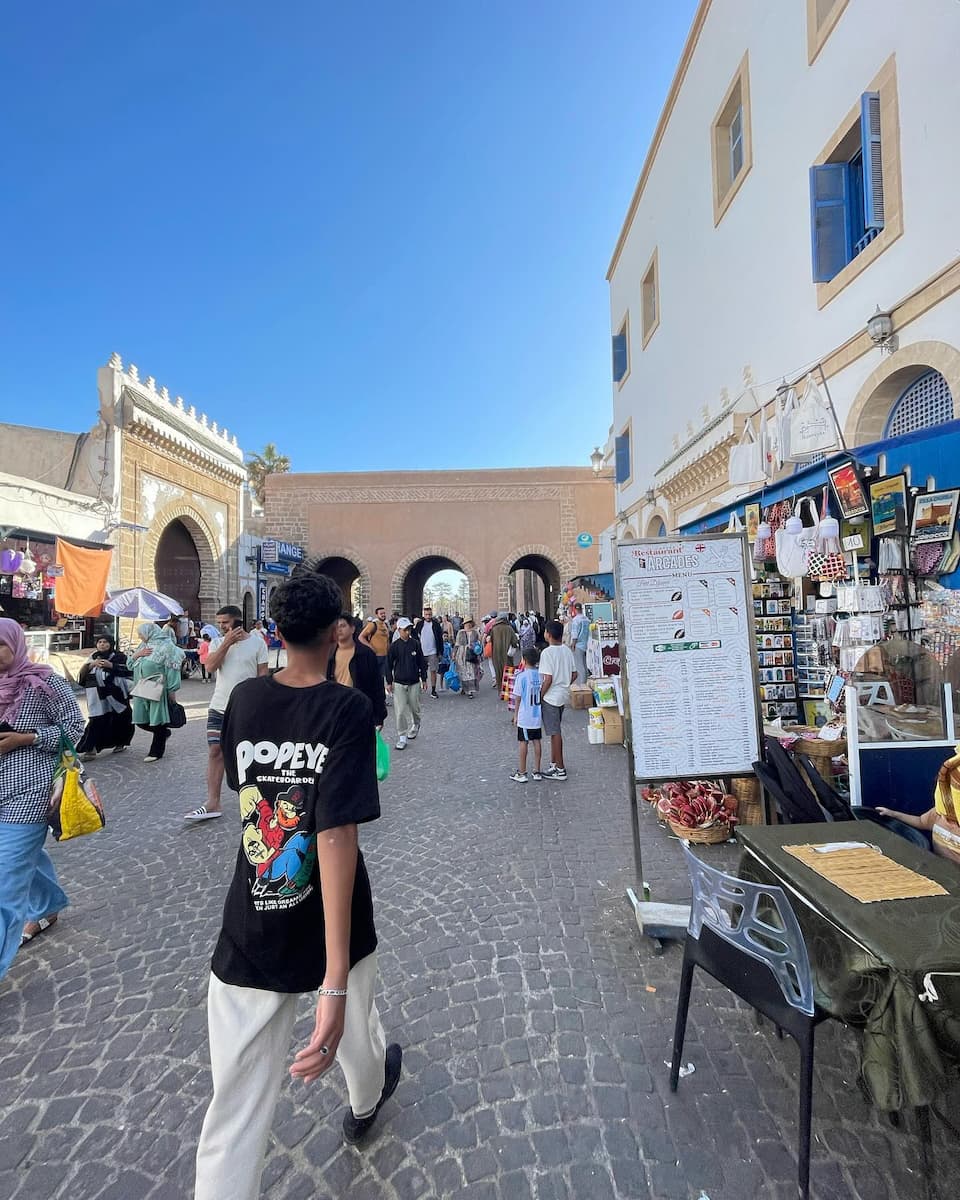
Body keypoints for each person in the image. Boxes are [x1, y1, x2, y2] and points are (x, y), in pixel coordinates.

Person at [193, 571, 400, 1200]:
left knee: (235, 1106)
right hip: (334, 911)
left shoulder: (248, 700)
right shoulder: (347, 710)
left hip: (255, 908)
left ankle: (365, 1096)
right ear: (337, 629)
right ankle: (365, 1103)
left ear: (275, 632)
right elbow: (337, 836)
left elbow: (244, 789)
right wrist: (331, 980)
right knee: (353, 1029)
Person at [0, 618, 85, 976]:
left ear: (15, 643)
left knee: (5, 878)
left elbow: (75, 728)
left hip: (31, 792)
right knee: (19, 861)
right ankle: (47, 904)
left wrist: (28, 737)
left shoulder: (45, 682)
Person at [185, 605, 269, 823]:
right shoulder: (216, 642)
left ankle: (258, 801)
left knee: (249, 754)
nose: (221, 626)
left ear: (238, 621)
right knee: (215, 750)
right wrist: (227, 643)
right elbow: (211, 666)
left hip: (246, 707)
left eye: (225, 622)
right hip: (219, 705)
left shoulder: (258, 643)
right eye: (219, 622)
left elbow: (262, 675)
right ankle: (213, 802)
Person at [131, 624, 185, 763]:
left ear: (149, 632)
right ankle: (164, 733)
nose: (139, 636)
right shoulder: (143, 646)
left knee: (158, 721)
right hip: (141, 688)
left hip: (157, 689)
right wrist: (136, 655)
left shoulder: (168, 648)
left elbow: (172, 670)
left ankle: (156, 751)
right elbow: (129, 665)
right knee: (141, 720)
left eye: (141, 633)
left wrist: (172, 690)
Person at [77, 634, 134, 759]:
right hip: (97, 696)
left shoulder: (119, 656)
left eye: (105, 642)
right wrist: (91, 665)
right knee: (96, 720)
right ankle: (90, 749)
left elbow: (129, 671)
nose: (102, 644)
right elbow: (81, 676)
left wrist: (111, 666)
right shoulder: (93, 657)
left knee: (120, 719)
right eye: (100, 642)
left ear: (111, 644)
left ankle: (120, 742)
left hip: (116, 695)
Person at [327, 614, 387, 728]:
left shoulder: (366, 654)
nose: (339, 629)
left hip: (359, 709)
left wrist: (379, 716)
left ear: (352, 629)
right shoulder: (328, 655)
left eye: (343, 626)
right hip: (336, 710)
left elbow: (377, 685)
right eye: (336, 627)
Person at [538, 619, 577, 781]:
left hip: (551, 697)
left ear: (548, 634)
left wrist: (540, 695)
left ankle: (560, 768)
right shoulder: (567, 650)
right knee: (555, 730)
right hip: (562, 695)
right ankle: (554, 763)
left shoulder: (547, 653)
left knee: (555, 733)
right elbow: (575, 674)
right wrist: (565, 683)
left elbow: (548, 678)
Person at [385, 618, 427, 750]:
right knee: (400, 710)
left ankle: (416, 723)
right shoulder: (394, 646)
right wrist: (389, 681)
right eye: (405, 629)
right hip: (399, 682)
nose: (408, 632)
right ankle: (402, 736)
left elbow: (422, 662)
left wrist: (424, 679)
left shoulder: (415, 644)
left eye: (409, 629)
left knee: (415, 707)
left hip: (414, 681)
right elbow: (388, 665)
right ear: (399, 630)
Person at [511, 647, 543, 783]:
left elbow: (517, 698)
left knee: (523, 742)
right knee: (537, 742)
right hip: (537, 715)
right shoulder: (540, 675)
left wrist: (515, 715)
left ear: (523, 660)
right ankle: (537, 770)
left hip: (525, 715)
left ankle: (522, 771)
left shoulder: (521, 677)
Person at [358, 606, 391, 694]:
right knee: (374, 678)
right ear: (377, 615)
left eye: (384, 613)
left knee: (382, 678)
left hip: (385, 656)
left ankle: (381, 698)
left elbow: (387, 640)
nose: (383, 615)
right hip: (375, 656)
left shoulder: (386, 625)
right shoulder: (373, 625)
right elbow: (361, 637)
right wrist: (370, 647)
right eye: (381, 614)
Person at [414, 606, 444, 699]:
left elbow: (440, 638)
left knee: (433, 671)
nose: (428, 616)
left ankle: (433, 690)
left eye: (430, 614)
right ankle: (420, 687)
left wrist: (440, 652)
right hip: (421, 651)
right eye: (426, 614)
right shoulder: (419, 624)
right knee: (419, 671)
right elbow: (415, 636)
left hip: (433, 651)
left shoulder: (436, 624)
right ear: (424, 615)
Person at [489, 613, 519, 692]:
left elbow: (490, 640)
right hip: (507, 655)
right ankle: (507, 692)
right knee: (508, 671)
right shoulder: (509, 628)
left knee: (499, 672)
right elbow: (514, 641)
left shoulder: (494, 628)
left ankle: (500, 691)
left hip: (496, 654)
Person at [453, 618, 481, 699]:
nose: (468, 625)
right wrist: (454, 653)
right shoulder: (460, 632)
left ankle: (470, 691)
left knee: (471, 672)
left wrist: (477, 650)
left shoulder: (475, 632)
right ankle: (464, 688)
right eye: (466, 623)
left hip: (471, 654)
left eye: (469, 623)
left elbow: (479, 643)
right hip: (461, 654)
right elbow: (457, 644)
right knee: (462, 672)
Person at [569, 603, 590, 691]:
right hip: (585, 643)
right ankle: (586, 682)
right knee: (584, 664)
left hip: (578, 644)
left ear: (575, 609)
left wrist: (573, 644)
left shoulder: (576, 620)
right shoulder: (586, 619)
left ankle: (582, 684)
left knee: (579, 666)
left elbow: (575, 634)